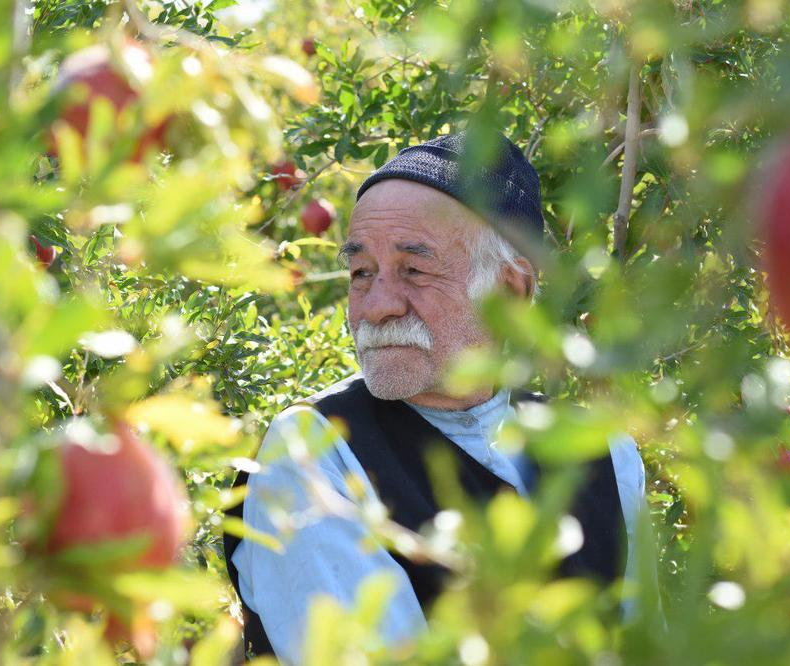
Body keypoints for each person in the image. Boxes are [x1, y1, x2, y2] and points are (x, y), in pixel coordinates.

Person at [223, 133, 647, 664]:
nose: (376, 307)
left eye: (415, 270)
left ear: (510, 294)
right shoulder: (315, 452)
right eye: (361, 273)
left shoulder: (603, 453)